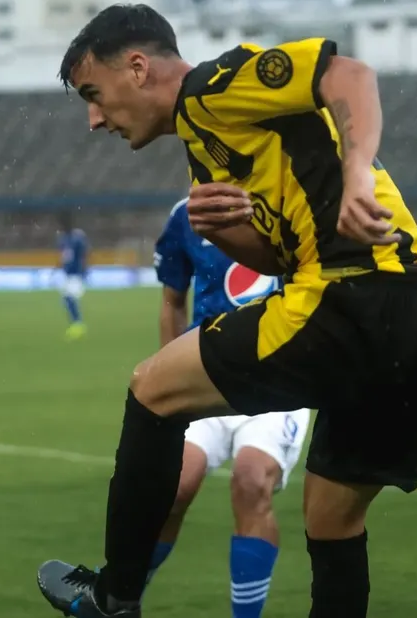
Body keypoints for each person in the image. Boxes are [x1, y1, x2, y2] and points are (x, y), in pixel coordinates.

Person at [37, 4, 417, 618]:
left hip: (352, 297)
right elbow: (275, 258)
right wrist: (225, 230)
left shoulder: (215, 87)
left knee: (151, 390)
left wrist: (359, 172)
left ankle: (114, 595)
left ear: (136, 68)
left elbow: (350, 76)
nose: (94, 119)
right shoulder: (208, 151)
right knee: (332, 523)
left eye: (94, 95)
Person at [149, 196, 311, 618]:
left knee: (251, 480)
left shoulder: (287, 198)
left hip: (280, 383)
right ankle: (120, 599)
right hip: (206, 376)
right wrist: (168, 380)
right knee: (170, 489)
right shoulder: (185, 214)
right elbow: (172, 300)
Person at [58, 213, 89, 340]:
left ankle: (78, 324)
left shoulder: (77, 239)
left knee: (69, 298)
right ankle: (76, 324)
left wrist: (84, 270)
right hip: (68, 274)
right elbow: (64, 257)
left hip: (77, 274)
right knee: (66, 299)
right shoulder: (64, 239)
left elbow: (84, 255)